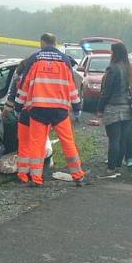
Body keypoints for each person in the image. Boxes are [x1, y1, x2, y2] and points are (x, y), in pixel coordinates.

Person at [15, 33, 85, 186]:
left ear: (42, 43)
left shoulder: (34, 60)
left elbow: (24, 86)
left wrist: (18, 106)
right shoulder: (65, 61)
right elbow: (72, 87)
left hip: (38, 110)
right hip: (60, 110)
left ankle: (36, 179)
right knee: (68, 142)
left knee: (36, 144)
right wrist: (77, 107)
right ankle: (78, 175)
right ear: (55, 43)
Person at [96, 42, 132, 173]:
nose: (110, 54)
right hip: (128, 108)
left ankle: (111, 167)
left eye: (111, 51)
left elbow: (106, 91)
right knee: (123, 139)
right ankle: (118, 165)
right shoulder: (129, 68)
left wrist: (100, 109)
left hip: (113, 107)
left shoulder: (112, 68)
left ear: (115, 53)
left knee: (114, 139)